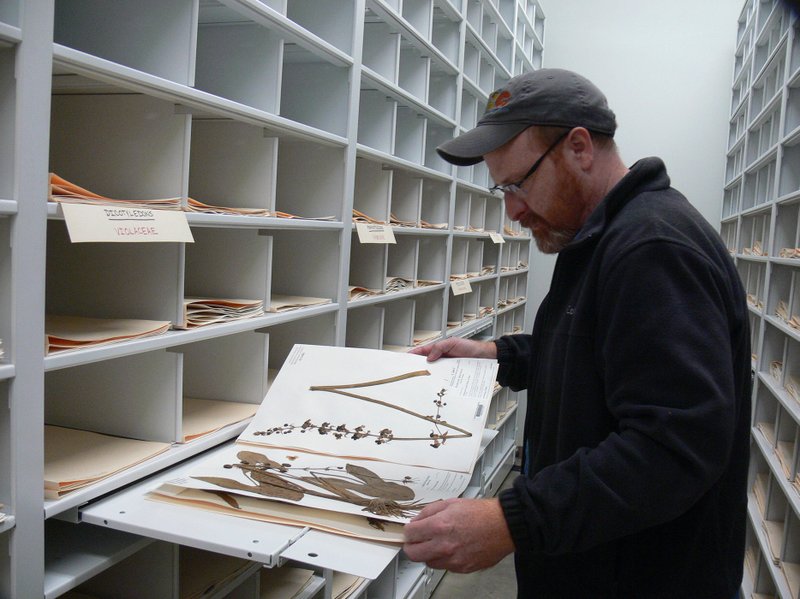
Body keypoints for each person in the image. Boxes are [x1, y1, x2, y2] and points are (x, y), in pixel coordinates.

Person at [402, 68, 751, 599]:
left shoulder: (651, 249)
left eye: (518, 184)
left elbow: (675, 446)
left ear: (580, 148)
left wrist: (512, 521)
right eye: (502, 189)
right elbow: (594, 356)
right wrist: (497, 356)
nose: (513, 210)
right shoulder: (599, 237)